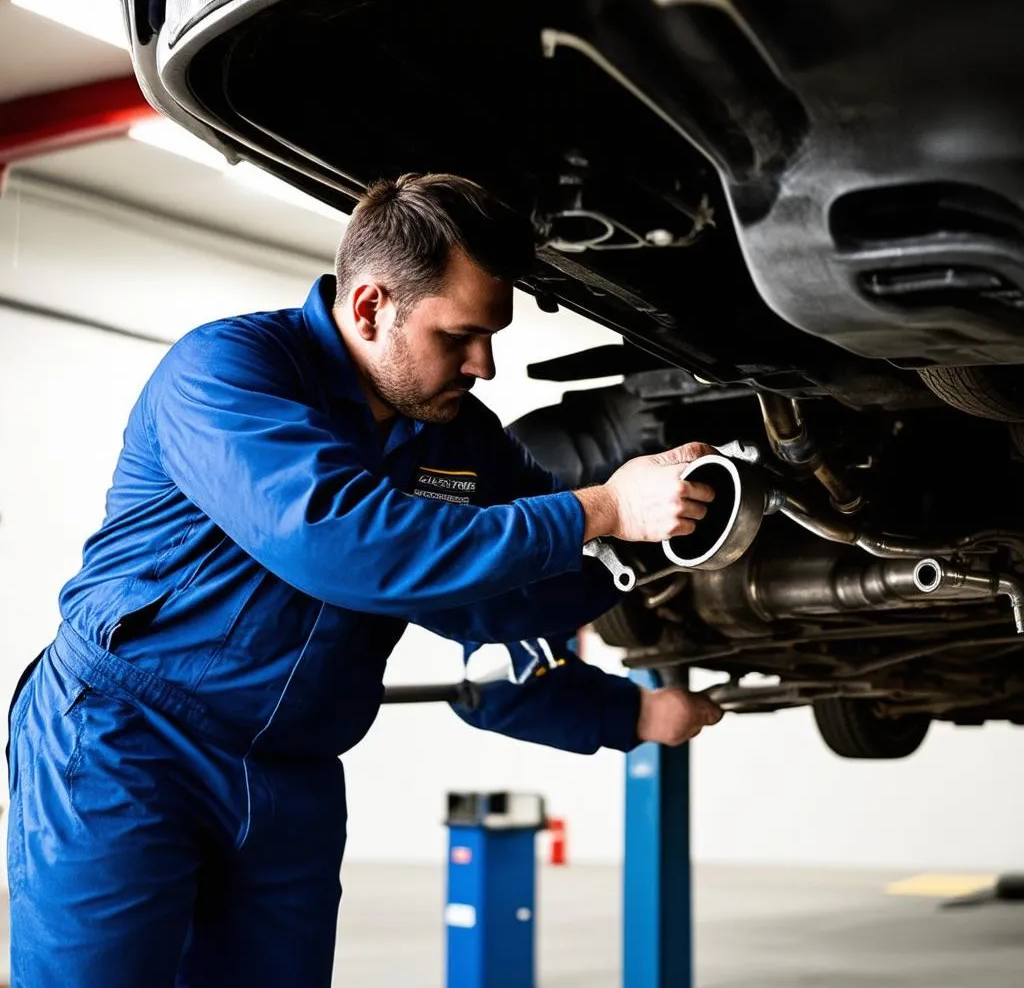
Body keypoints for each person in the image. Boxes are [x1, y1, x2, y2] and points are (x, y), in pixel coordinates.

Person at [6, 173, 723, 987]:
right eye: (459, 336)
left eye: (492, 335)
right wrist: (599, 510)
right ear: (372, 305)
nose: (484, 364)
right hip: (128, 744)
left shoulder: (460, 441)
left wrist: (655, 542)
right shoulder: (228, 371)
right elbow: (344, 545)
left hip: (292, 771)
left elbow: (498, 604)